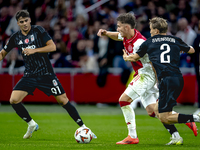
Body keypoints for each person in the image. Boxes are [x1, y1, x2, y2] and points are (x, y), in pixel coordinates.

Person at [97, 13, 197, 145]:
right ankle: (178, 132)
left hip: (147, 75)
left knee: (123, 101)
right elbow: (117, 36)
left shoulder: (140, 42)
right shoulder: (128, 35)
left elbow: (152, 62)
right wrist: (106, 33)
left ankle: (132, 136)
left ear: (127, 27)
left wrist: (157, 80)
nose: (118, 29)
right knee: (153, 111)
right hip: (144, 74)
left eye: (119, 26)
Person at [0, 10, 97, 139]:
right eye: (21, 22)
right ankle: (31, 124)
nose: (24, 24)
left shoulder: (38, 31)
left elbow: (52, 47)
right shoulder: (15, 37)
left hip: (46, 74)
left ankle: (83, 126)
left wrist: (34, 50)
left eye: (26, 21)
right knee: (13, 100)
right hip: (29, 75)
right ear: (18, 23)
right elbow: (3, 53)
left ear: (30, 20)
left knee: (63, 101)